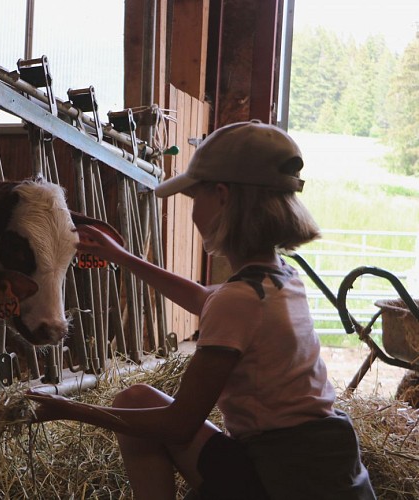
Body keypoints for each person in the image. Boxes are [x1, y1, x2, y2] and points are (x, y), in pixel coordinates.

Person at [26, 120, 375, 499]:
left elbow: (179, 424)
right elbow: (203, 298)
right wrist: (122, 257)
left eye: (196, 199)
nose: (193, 214)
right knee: (136, 398)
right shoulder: (281, 277)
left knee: (137, 411)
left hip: (285, 481)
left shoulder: (238, 299)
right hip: (330, 470)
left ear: (223, 197)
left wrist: (68, 408)